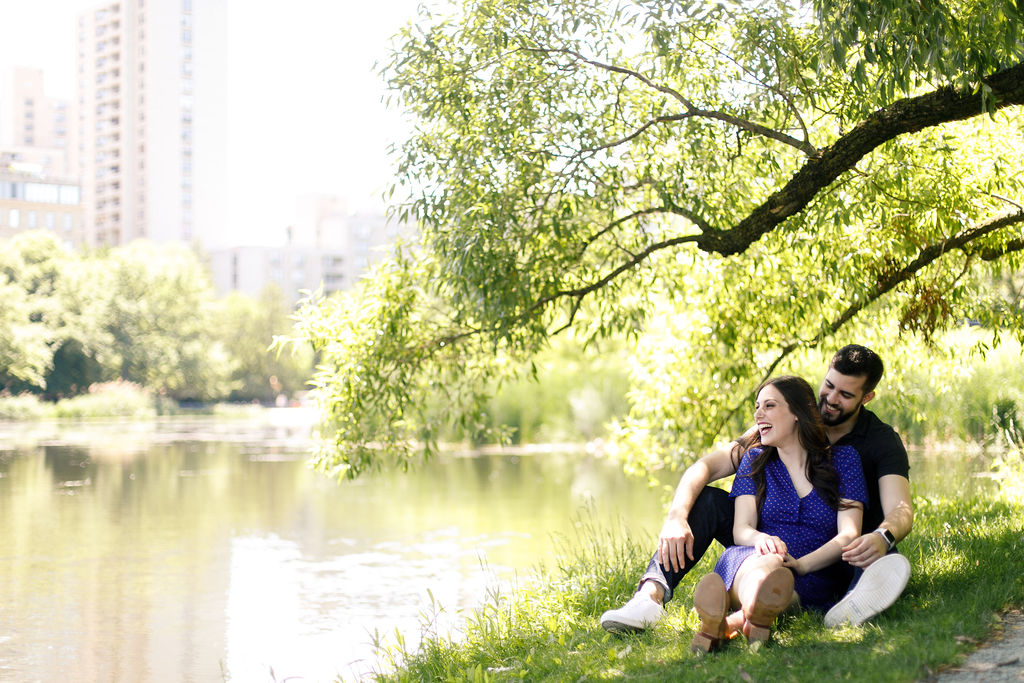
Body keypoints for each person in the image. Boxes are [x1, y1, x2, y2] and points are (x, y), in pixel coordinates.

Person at [600, 344, 913, 633]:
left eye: (845, 394)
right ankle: (650, 597)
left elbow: (900, 510)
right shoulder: (786, 417)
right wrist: (676, 516)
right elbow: (705, 467)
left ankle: (853, 597)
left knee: (881, 547)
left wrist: (882, 536)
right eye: (829, 386)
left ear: (866, 397)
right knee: (706, 500)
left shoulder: (878, 442)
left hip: (840, 547)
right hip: (769, 542)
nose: (831, 399)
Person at [689, 376, 866, 651]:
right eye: (757, 407)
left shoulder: (844, 460)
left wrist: (803, 565)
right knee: (767, 565)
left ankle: (724, 624)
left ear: (797, 413)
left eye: (769, 406)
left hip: (815, 570)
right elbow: (741, 529)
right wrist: (761, 539)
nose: (758, 414)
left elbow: (849, 534)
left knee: (786, 588)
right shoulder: (755, 460)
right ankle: (750, 615)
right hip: (751, 558)